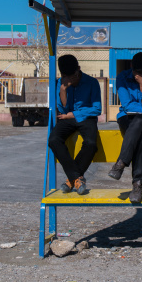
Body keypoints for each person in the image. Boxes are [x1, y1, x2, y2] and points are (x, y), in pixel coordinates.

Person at [108, 52, 142, 203]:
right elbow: (126, 105)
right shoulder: (122, 78)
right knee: (140, 137)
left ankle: (121, 163)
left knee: (139, 121)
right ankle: (138, 185)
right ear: (131, 66)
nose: (139, 75)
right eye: (137, 72)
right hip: (126, 117)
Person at [48, 54, 102, 195]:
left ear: (78, 69)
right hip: (66, 118)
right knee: (53, 140)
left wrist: (75, 114)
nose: (71, 79)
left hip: (86, 118)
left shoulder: (92, 82)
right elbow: (63, 109)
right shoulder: (61, 83)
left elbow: (97, 109)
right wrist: (63, 89)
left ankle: (71, 180)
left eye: (73, 75)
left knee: (91, 143)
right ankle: (76, 178)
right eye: (67, 76)